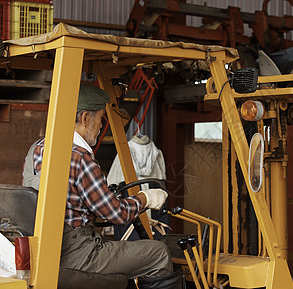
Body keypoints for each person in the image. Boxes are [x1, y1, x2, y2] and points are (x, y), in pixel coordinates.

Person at [23, 84, 179, 288]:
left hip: (45, 250)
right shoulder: (81, 158)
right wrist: (145, 198)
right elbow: (118, 214)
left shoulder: (37, 148)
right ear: (85, 118)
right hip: (78, 253)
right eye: (101, 118)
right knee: (158, 253)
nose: (100, 124)